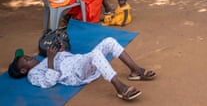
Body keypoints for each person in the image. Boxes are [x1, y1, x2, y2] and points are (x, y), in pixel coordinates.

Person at [8, 37, 156, 101]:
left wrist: (61, 50)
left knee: (109, 41)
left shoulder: (46, 59)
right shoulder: (33, 74)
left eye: (28, 56)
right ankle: (120, 88)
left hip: (82, 61)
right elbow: (50, 82)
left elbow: (68, 58)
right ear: (23, 70)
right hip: (77, 73)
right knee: (95, 54)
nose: (30, 57)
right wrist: (52, 59)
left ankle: (136, 70)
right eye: (26, 60)